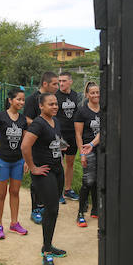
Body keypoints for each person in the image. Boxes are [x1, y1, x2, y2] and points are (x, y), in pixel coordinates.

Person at [22, 92, 67, 265]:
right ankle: (47, 251)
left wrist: (62, 148)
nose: (55, 107)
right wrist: (32, 167)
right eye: (51, 104)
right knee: (51, 209)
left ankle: (48, 245)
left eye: (56, 104)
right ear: (41, 106)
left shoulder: (56, 122)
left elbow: (56, 140)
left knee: (53, 210)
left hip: (57, 170)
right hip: (44, 172)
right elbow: (25, 146)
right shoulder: (38, 124)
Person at [0, 88, 29, 239]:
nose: (21, 102)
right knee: (1, 193)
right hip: (2, 160)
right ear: (10, 100)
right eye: (18, 99)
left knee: (15, 192)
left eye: (23, 100)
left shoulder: (23, 119)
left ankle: (14, 223)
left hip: (18, 161)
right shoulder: (0, 116)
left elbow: (25, 142)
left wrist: (26, 160)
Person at [23, 71, 59, 224]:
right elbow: (26, 121)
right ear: (45, 84)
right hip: (35, 147)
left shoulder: (53, 100)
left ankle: (45, 206)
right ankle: (35, 209)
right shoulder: (32, 99)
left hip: (50, 146)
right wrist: (42, 126)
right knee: (36, 180)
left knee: (49, 181)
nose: (57, 87)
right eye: (54, 84)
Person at [74, 82, 101, 226]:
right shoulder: (82, 112)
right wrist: (82, 154)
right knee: (88, 181)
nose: (96, 95)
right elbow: (78, 135)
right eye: (92, 93)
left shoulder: (104, 109)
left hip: (102, 149)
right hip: (87, 149)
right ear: (87, 95)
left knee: (98, 180)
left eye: (97, 92)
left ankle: (96, 209)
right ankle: (80, 213)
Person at [55, 71, 81, 203]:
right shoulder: (55, 96)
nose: (61, 83)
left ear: (70, 81)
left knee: (70, 163)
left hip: (72, 134)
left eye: (64, 81)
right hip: (60, 135)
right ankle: (58, 192)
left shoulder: (75, 95)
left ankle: (68, 189)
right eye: (59, 81)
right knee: (59, 163)